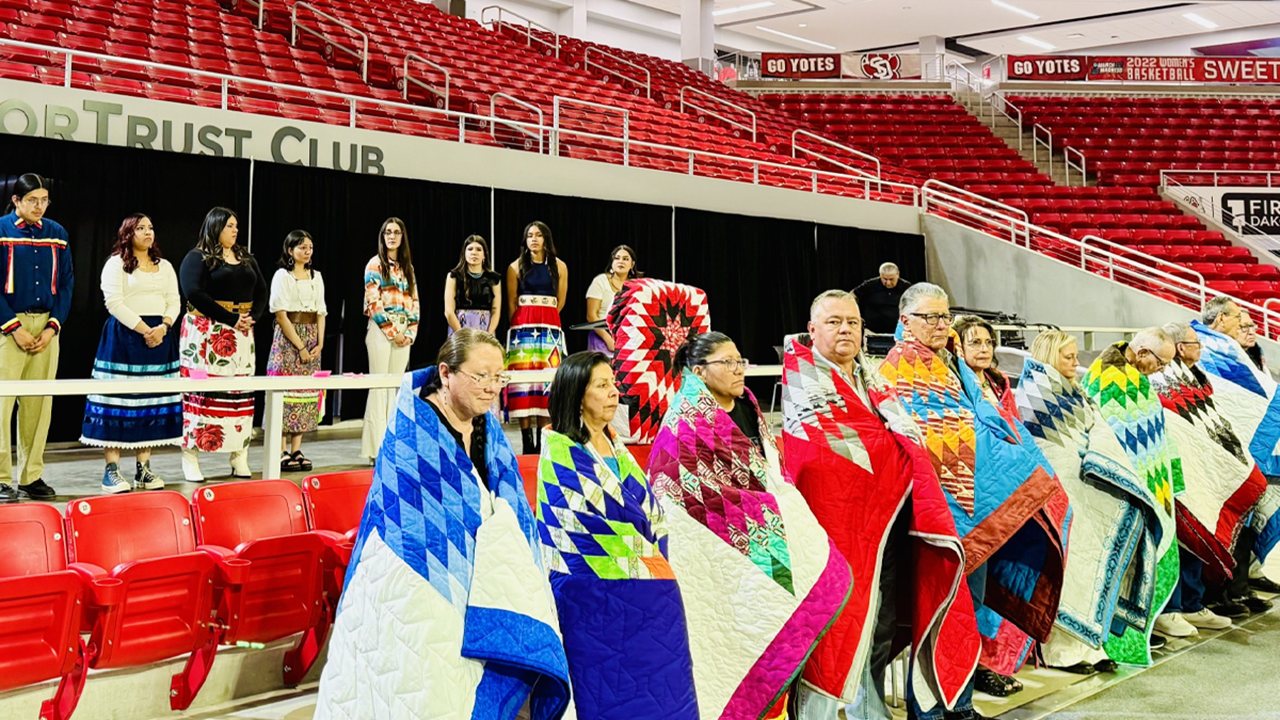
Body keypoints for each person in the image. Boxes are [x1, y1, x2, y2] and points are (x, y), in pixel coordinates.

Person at [315, 329, 571, 720]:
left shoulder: (491, 432)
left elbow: (509, 502)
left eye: (498, 377)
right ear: (446, 373)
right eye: (480, 376)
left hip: (485, 577)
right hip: (414, 573)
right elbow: (406, 515)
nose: (491, 388)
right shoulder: (411, 430)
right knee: (422, 677)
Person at [783, 291, 976, 720]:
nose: (845, 329)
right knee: (843, 629)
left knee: (883, 624)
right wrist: (898, 450)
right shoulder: (805, 383)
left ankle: (868, 707)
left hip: (887, 523)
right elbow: (825, 459)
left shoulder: (873, 377)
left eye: (852, 322)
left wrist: (902, 449)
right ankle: (842, 712)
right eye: (833, 322)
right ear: (812, 330)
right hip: (835, 530)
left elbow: (906, 438)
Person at [879, 283, 1068, 720]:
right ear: (905, 321)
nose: (940, 325)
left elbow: (980, 419)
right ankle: (929, 711)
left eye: (945, 317)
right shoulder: (900, 368)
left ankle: (960, 702)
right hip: (939, 512)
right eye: (930, 317)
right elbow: (931, 435)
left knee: (971, 609)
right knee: (939, 609)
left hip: (974, 506)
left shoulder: (949, 364)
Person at [648, 331, 851, 720]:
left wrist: (780, 507)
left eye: (740, 360)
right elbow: (675, 491)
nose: (739, 370)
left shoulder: (749, 406)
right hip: (715, 552)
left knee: (785, 632)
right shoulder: (686, 424)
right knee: (740, 640)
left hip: (768, 535)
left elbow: (769, 472)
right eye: (728, 362)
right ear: (699, 372)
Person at [537, 351, 698, 720]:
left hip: (649, 591)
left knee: (664, 683)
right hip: (591, 596)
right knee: (604, 689)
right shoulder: (560, 453)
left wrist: (647, 541)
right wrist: (638, 541)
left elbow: (646, 509)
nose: (614, 392)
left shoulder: (616, 444)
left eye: (613, 383)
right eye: (602, 385)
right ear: (577, 395)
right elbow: (573, 526)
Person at [1014, 330, 1161, 675]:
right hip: (1062, 492)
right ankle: (1062, 651)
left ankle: (1088, 643)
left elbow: (1095, 431)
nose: (1076, 363)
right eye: (1068, 357)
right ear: (1051, 356)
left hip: (1086, 488)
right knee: (1070, 568)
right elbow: (1048, 449)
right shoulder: (1033, 394)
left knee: (1090, 566)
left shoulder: (1074, 392)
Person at [1148, 321, 1271, 636]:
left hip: (1204, 469)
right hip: (1179, 470)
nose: (1199, 348)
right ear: (1179, 348)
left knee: (1199, 535)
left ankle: (1194, 602)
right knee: (1184, 537)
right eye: (1194, 343)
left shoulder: (1194, 376)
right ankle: (1172, 608)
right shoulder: (1163, 379)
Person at [1080, 327, 1181, 664]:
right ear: (1141, 354)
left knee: (1138, 562)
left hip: (1150, 484)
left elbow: (1155, 432)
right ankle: (1110, 640)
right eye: (1161, 363)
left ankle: (1135, 634)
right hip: (1120, 487)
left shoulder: (1136, 378)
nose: (1162, 370)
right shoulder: (1106, 379)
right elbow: (1110, 434)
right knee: (1121, 564)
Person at [949, 314, 1030, 697]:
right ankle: (976, 667)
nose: (983, 349)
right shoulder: (955, 384)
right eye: (975, 342)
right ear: (959, 348)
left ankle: (996, 660)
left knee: (1001, 582)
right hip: (976, 497)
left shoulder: (999, 383)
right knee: (974, 587)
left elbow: (1012, 429)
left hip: (1007, 493)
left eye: (987, 342)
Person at [80, 213, 181, 493]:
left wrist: (163, 327)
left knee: (150, 401)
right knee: (117, 402)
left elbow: (174, 300)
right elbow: (113, 302)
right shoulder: (116, 264)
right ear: (128, 233)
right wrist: (144, 329)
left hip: (159, 340)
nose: (148, 232)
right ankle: (111, 471)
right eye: (141, 228)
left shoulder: (166, 267)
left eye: (150, 227)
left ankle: (143, 469)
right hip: (124, 338)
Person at [1190, 313, 1280, 598]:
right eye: (1243, 325)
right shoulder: (1216, 356)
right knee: (1237, 516)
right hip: (1229, 450)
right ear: (1220, 320)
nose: (1252, 330)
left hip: (1257, 450)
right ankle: (1230, 587)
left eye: (1253, 325)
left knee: (1255, 515)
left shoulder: (1251, 357)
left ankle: (1247, 576)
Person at [178, 207, 268, 482]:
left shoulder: (245, 257)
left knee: (239, 395)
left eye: (236, 226)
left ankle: (239, 455)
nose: (235, 230)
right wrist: (230, 319)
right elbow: (194, 291)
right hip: (207, 333)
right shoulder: (198, 257)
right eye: (230, 225)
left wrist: (250, 318)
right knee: (203, 396)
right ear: (216, 227)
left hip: (240, 335)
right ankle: (190, 456)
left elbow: (262, 291)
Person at [0, 173, 72, 501]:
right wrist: (12, 328)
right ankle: (1, 478)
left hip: (45, 328)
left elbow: (67, 283)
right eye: (32, 200)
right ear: (16, 200)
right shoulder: (2, 230)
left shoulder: (57, 234)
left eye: (44, 200)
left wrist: (52, 326)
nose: (39, 206)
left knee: (38, 405)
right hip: (7, 327)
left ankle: (32, 476)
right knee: (2, 405)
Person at [505, 221, 568, 454]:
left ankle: (543, 438)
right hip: (523, 328)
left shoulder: (560, 267)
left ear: (546, 239)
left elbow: (560, 301)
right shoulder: (515, 267)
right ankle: (526, 438)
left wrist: (546, 316)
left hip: (549, 327)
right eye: (530, 235)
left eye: (539, 235)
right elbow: (512, 301)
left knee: (547, 380)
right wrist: (524, 321)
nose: (534, 239)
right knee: (524, 380)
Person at [361, 217, 419, 463]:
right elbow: (373, 302)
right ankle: (375, 450)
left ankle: (395, 444)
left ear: (402, 237)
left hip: (403, 329)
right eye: (388, 232)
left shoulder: (408, 267)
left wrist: (410, 333)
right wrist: (393, 332)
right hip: (381, 329)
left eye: (396, 232)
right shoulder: (375, 264)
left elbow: (414, 301)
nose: (392, 236)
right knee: (379, 388)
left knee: (396, 389)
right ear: (382, 236)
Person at [268, 230, 327, 473]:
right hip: (289, 339)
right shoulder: (283, 276)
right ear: (290, 251)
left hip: (312, 336)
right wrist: (300, 346)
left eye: (310, 247)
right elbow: (280, 314)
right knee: (286, 392)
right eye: (301, 247)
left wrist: (319, 343)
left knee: (305, 393)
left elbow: (321, 312)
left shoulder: (317, 277)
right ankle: (280, 448)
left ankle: (296, 448)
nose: (307, 251)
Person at [584, 245, 638, 357]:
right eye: (617, 258)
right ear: (612, 262)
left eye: (625, 259)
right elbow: (591, 316)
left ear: (632, 264)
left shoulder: (636, 286)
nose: (621, 262)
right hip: (602, 336)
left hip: (629, 338)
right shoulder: (600, 281)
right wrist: (608, 339)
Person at [443, 235, 501, 336]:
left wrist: (489, 334)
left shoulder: (493, 279)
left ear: (484, 255)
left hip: (485, 331)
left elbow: (496, 310)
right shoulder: (454, 277)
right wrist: (461, 333)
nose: (474, 253)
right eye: (470, 249)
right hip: (459, 330)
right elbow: (449, 311)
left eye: (478, 249)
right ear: (464, 254)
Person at [853, 262, 910, 354]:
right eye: (884, 279)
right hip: (872, 332)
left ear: (898, 275)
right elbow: (852, 296)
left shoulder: (906, 287)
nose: (888, 282)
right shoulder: (871, 285)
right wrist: (854, 314)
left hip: (898, 333)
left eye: (891, 279)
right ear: (880, 276)